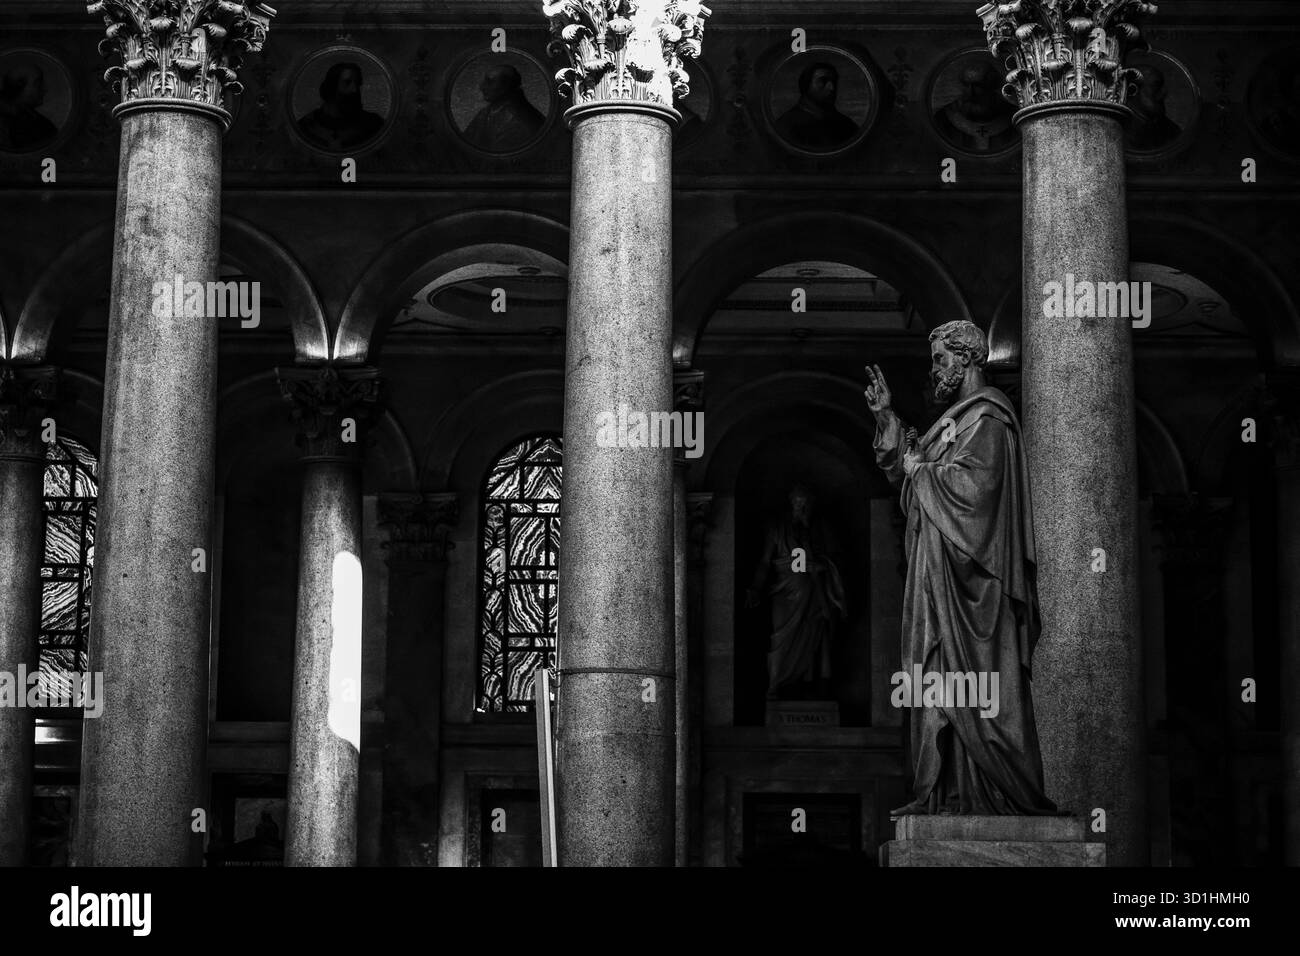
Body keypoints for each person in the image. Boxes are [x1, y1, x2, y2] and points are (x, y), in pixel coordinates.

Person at [865, 321, 1057, 815]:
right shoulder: (954, 423)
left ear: (967, 357)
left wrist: (917, 470)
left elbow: (974, 492)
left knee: (979, 687)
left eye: (939, 359)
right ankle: (942, 793)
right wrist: (888, 420)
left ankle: (997, 792)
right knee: (933, 682)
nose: (935, 370)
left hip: (976, 588)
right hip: (936, 579)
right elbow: (912, 484)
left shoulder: (989, 419)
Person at [746, 484, 847, 699]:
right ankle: (776, 685)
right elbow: (765, 561)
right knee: (780, 637)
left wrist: (822, 565)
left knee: (816, 638)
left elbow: (837, 559)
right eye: (798, 504)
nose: (802, 508)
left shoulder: (819, 528)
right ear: (791, 503)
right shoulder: (777, 527)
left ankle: (812, 687)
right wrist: (756, 587)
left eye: (806, 504)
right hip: (785, 590)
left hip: (816, 591)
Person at [932, 59, 1018, 153]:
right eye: (966, 85)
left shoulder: (1014, 116)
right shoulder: (944, 117)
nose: (971, 93)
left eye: (978, 85)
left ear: (992, 86)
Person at [297, 61, 385, 150]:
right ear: (331, 87)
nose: (354, 90)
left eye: (357, 83)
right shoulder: (306, 127)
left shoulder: (373, 124)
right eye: (347, 82)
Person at [774, 61, 859, 151]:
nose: (831, 88)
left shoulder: (846, 125)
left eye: (834, 82)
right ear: (806, 85)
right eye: (823, 81)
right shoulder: (785, 126)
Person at [462, 64, 546, 152]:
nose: (482, 87)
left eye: (490, 82)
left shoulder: (523, 120)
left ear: (507, 86)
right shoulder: (485, 113)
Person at [0, 62, 57, 152]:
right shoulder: (6, 123)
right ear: (19, 87)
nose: (45, 89)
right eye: (38, 84)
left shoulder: (38, 121)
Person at [1128, 64, 1182, 151]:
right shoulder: (1116, 125)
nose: (1164, 93)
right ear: (1132, 89)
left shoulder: (1172, 132)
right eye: (1156, 85)